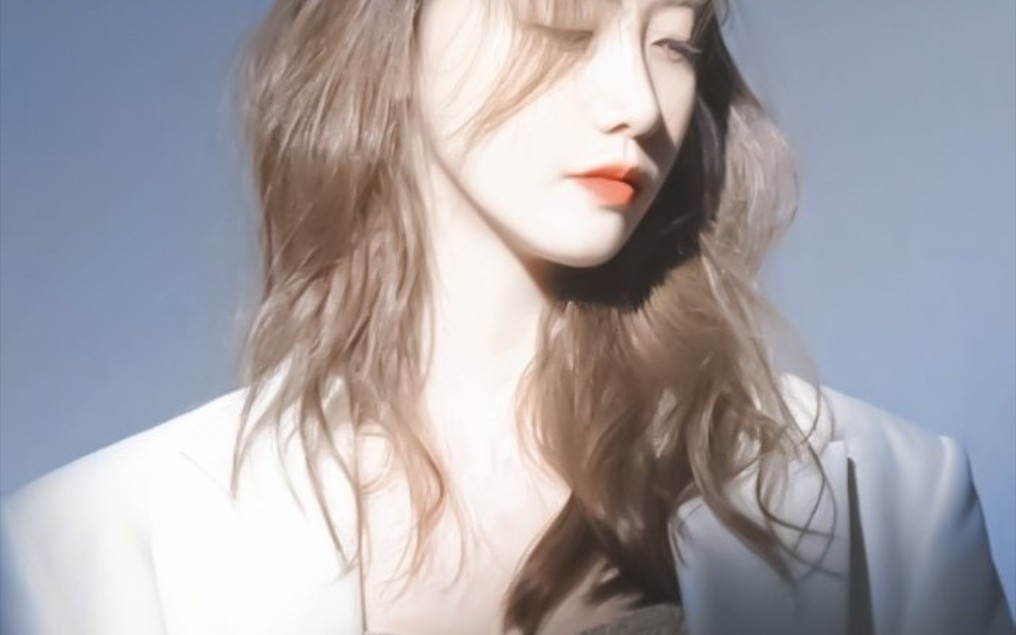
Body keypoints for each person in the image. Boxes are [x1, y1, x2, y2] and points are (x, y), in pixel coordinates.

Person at [0, 0, 1012, 634]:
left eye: (674, 41)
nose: (636, 101)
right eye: (561, 21)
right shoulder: (88, 554)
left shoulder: (890, 506)